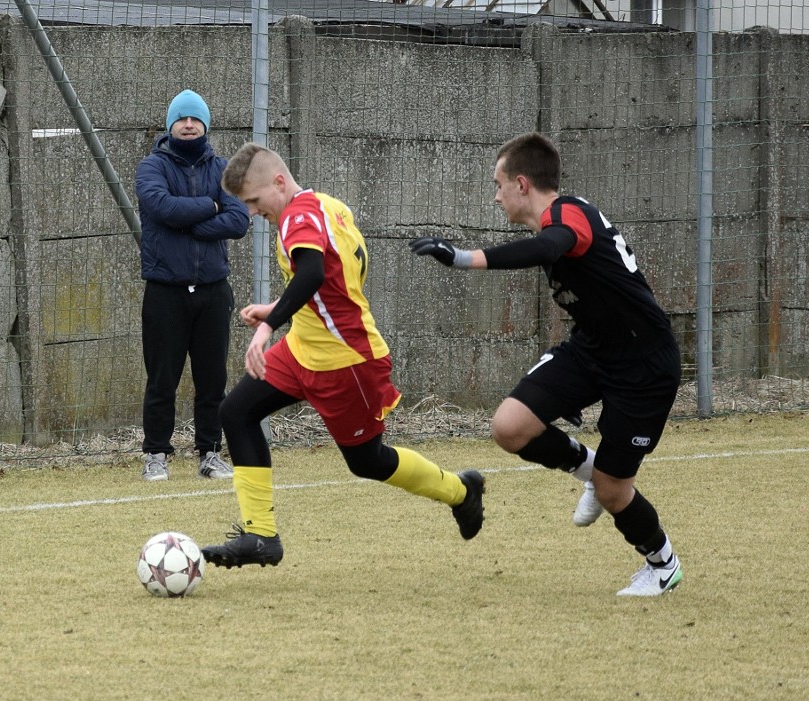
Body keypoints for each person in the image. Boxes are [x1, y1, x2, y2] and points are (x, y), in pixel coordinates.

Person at [410, 132, 682, 597]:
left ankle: (662, 564)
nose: (495, 196)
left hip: (644, 363)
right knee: (510, 427)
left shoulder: (566, 214)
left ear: (521, 183)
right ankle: (588, 469)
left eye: (498, 185)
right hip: (592, 350)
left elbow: (550, 246)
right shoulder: (553, 223)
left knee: (616, 492)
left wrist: (462, 258)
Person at [201, 143, 485, 568]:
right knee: (236, 412)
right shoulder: (328, 206)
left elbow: (314, 273)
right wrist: (277, 309)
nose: (254, 213)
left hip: (345, 362)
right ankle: (261, 535)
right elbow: (332, 280)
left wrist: (267, 325)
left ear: (279, 182)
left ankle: (461, 490)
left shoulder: (296, 216)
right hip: (303, 348)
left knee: (368, 462)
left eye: (255, 202)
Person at [135, 89, 251, 481]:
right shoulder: (151, 167)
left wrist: (188, 220)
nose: (188, 124)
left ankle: (210, 453)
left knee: (212, 378)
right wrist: (212, 206)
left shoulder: (223, 170)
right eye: (181, 119)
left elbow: (238, 221)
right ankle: (155, 455)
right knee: (162, 379)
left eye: (195, 118)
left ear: (205, 124)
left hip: (213, 292)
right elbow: (162, 207)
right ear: (171, 125)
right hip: (165, 291)